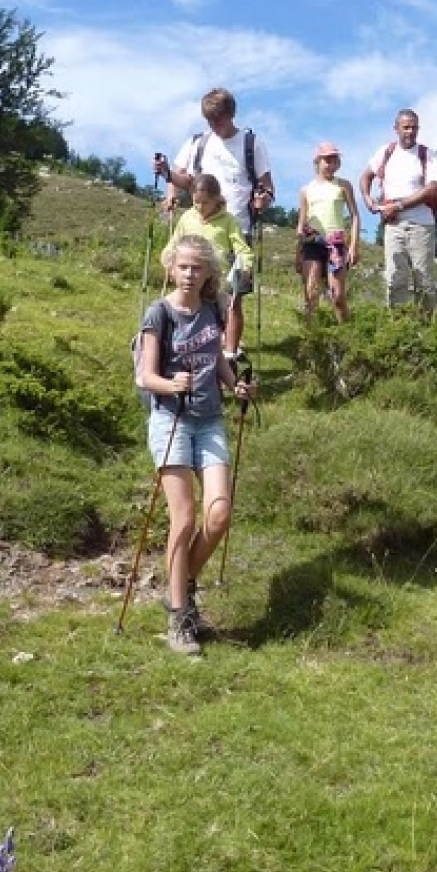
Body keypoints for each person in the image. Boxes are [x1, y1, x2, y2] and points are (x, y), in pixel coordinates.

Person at [134, 233, 256, 656]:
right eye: (182, 266)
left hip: (210, 420)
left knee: (219, 515)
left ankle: (182, 582)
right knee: (184, 519)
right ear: (170, 266)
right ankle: (179, 616)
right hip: (170, 420)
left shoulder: (211, 310)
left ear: (208, 273)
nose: (189, 274)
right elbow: (146, 377)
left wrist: (234, 384)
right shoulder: (158, 314)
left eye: (197, 267)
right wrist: (172, 383)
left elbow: (216, 356)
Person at [153, 88, 274, 355]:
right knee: (194, 293)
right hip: (199, 228)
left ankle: (229, 353)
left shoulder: (251, 144)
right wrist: (167, 176)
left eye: (218, 120)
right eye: (209, 121)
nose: (214, 126)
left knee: (231, 299)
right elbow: (186, 179)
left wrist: (263, 199)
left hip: (236, 227)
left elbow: (266, 185)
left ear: (231, 115)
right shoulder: (198, 142)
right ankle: (197, 348)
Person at [358, 108, 437, 312]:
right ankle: (398, 328)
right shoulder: (386, 152)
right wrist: (367, 198)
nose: (410, 132)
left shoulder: (427, 155)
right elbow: (365, 176)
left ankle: (425, 330)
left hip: (421, 225)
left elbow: (432, 188)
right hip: (393, 225)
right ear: (396, 129)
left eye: (414, 128)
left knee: (423, 279)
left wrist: (398, 206)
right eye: (406, 127)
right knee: (395, 277)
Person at [163, 174, 255, 354]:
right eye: (196, 202)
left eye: (205, 202)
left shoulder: (228, 221)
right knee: (189, 312)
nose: (200, 207)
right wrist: (167, 258)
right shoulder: (188, 217)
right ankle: (182, 349)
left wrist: (246, 266)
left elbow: (242, 248)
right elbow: (175, 242)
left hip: (216, 279)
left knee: (224, 310)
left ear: (216, 199)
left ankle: (228, 354)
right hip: (191, 276)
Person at [296, 142, 361, 322]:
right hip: (312, 241)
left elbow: (355, 215)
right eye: (327, 160)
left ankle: (346, 335)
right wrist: (298, 253)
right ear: (318, 161)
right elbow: (301, 224)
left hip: (336, 242)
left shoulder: (343, 185)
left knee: (338, 296)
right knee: (311, 294)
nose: (331, 165)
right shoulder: (306, 190)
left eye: (334, 160)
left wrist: (354, 246)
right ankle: (311, 339)